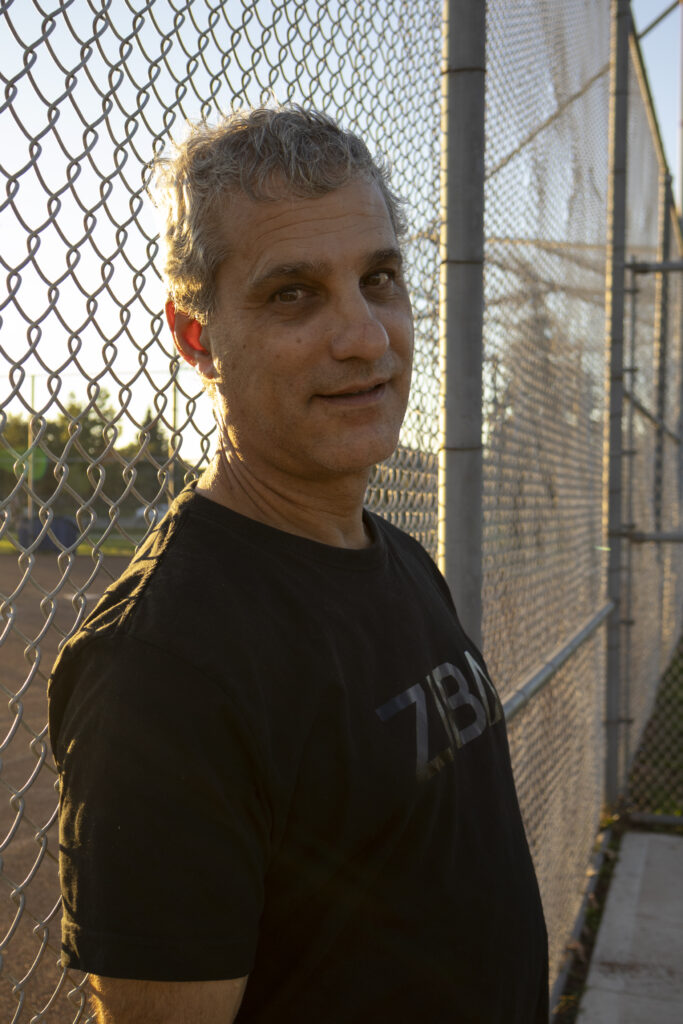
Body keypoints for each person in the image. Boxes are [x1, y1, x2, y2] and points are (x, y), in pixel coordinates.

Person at [48, 106, 548, 1024]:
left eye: (379, 278)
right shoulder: (163, 670)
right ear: (198, 337)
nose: (366, 336)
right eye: (293, 294)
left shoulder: (394, 554)